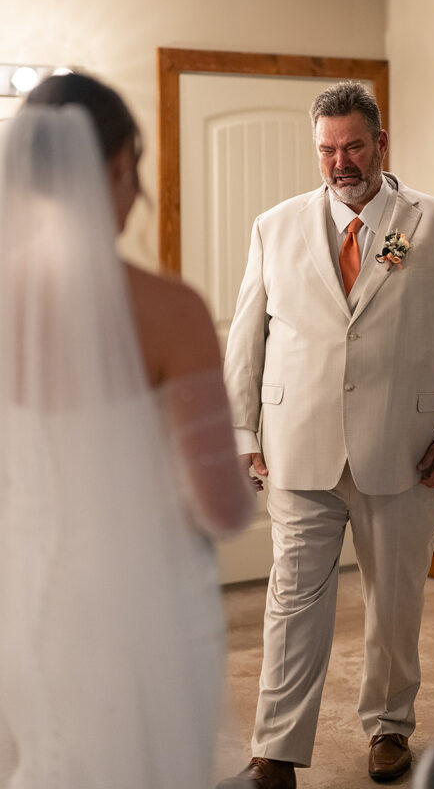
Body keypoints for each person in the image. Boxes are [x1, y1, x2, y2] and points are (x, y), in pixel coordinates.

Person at [219, 81, 434, 788]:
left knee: (393, 601)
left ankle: (389, 727)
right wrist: (242, 428)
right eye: (326, 149)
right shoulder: (273, 227)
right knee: (292, 601)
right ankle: (274, 751)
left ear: (380, 144)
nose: (340, 162)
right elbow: (247, 337)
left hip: (404, 451)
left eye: (353, 146)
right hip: (295, 448)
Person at [0, 73, 255, 789]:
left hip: (23, 604)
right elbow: (220, 508)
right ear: (117, 166)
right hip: (140, 618)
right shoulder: (168, 309)